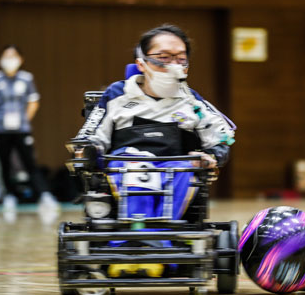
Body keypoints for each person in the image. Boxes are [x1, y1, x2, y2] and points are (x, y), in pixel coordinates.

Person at [85, 24, 236, 221]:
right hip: (127, 165)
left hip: (177, 167)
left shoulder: (192, 101)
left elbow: (222, 139)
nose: (172, 65)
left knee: (183, 168)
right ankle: (138, 232)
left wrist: (209, 156)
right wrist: (90, 151)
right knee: (135, 166)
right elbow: (93, 138)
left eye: (180, 59)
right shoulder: (116, 95)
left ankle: (162, 234)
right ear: (141, 63)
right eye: (163, 58)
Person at [0, 45, 59, 210]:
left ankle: (43, 194)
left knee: (30, 162)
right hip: (0, 129)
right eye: (6, 56)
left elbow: (33, 102)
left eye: (13, 56)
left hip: (22, 128)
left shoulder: (26, 78)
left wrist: (24, 120)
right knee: (4, 163)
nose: (10, 60)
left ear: (20, 59)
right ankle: (8, 195)